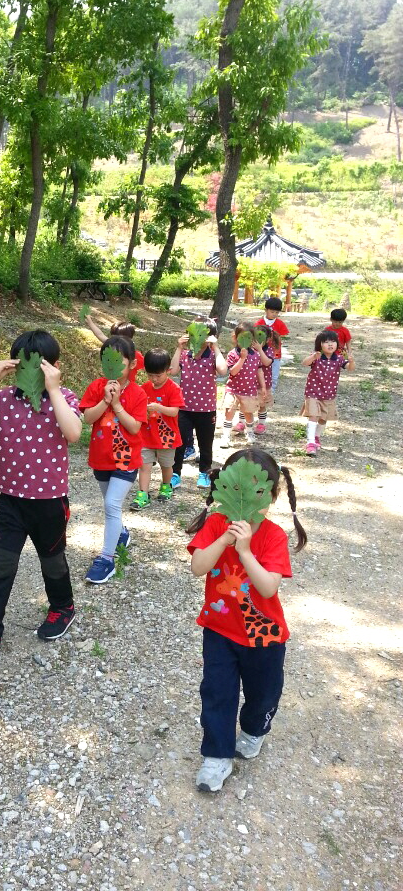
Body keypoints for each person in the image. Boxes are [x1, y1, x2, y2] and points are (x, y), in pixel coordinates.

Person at [0, 330, 82, 675]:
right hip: (10, 503)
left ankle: (62, 606)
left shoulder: (65, 398)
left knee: (52, 562)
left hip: (50, 503)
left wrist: (54, 389)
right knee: (1, 567)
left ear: (54, 368)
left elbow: (73, 434)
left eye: (40, 367)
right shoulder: (6, 399)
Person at [186, 448, 307, 792]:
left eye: (258, 493)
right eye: (238, 490)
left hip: (264, 637)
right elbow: (198, 567)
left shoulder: (272, 536)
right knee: (217, 692)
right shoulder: (215, 525)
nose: (247, 502)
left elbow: (268, 587)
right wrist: (224, 538)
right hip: (220, 631)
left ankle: (254, 731)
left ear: (272, 496)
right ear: (225, 489)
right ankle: (216, 756)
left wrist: (244, 551)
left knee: (263, 694)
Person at [79, 335, 147, 584]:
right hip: (100, 458)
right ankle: (121, 533)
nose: (113, 364)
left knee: (111, 505)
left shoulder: (138, 393)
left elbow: (134, 428)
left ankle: (106, 559)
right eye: (107, 359)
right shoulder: (97, 386)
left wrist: (117, 404)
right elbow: (88, 419)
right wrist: (105, 400)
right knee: (110, 505)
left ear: (131, 364)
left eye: (119, 360)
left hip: (126, 460)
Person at [170, 320, 227, 489]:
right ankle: (175, 473)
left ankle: (205, 472)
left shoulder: (212, 356)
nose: (198, 338)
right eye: (194, 333)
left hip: (206, 409)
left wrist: (216, 347)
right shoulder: (185, 354)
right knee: (179, 442)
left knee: (205, 443)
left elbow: (223, 371)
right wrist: (179, 347)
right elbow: (172, 371)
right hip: (183, 408)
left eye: (202, 334)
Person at [130, 349, 185, 510]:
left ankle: (166, 485)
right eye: (150, 375)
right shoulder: (144, 388)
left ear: (168, 371)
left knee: (166, 465)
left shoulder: (173, 388)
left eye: (158, 376)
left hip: (166, 437)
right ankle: (143, 494)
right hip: (146, 436)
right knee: (144, 465)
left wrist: (159, 407)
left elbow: (174, 411)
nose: (154, 379)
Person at [301, 329, 355, 457]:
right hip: (313, 392)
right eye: (326, 342)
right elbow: (304, 363)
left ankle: (316, 436)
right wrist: (313, 356)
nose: (330, 344)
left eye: (333, 342)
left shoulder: (339, 359)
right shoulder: (317, 356)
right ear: (320, 344)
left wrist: (352, 361)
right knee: (313, 415)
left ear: (337, 344)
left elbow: (350, 369)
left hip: (329, 394)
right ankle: (310, 442)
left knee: (323, 418)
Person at [220, 323, 268, 449]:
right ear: (235, 338)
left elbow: (259, 370)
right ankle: (225, 435)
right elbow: (232, 372)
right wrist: (242, 359)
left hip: (249, 390)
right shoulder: (232, 354)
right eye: (242, 337)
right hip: (233, 389)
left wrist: (263, 386)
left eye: (249, 338)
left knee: (248, 413)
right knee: (229, 411)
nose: (245, 341)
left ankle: (249, 431)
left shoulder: (256, 355)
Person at [235, 325, 276, 435]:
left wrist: (260, 350)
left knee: (262, 405)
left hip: (264, 384)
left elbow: (266, 362)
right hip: (249, 383)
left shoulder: (269, 350)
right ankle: (241, 422)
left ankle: (261, 423)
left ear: (267, 339)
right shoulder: (248, 350)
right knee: (245, 404)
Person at [83, 313, 144, 383]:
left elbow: (149, 367)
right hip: (110, 385)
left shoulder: (134, 355)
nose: (115, 341)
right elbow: (100, 334)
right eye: (113, 338)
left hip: (127, 389)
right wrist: (90, 323)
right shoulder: (111, 348)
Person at [255, 297, 289, 392]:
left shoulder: (280, 323)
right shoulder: (259, 323)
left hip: (275, 353)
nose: (274, 314)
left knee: (274, 374)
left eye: (276, 312)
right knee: (260, 371)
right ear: (266, 310)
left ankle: (271, 391)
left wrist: (277, 337)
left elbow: (284, 335)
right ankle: (259, 390)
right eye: (272, 312)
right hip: (262, 351)